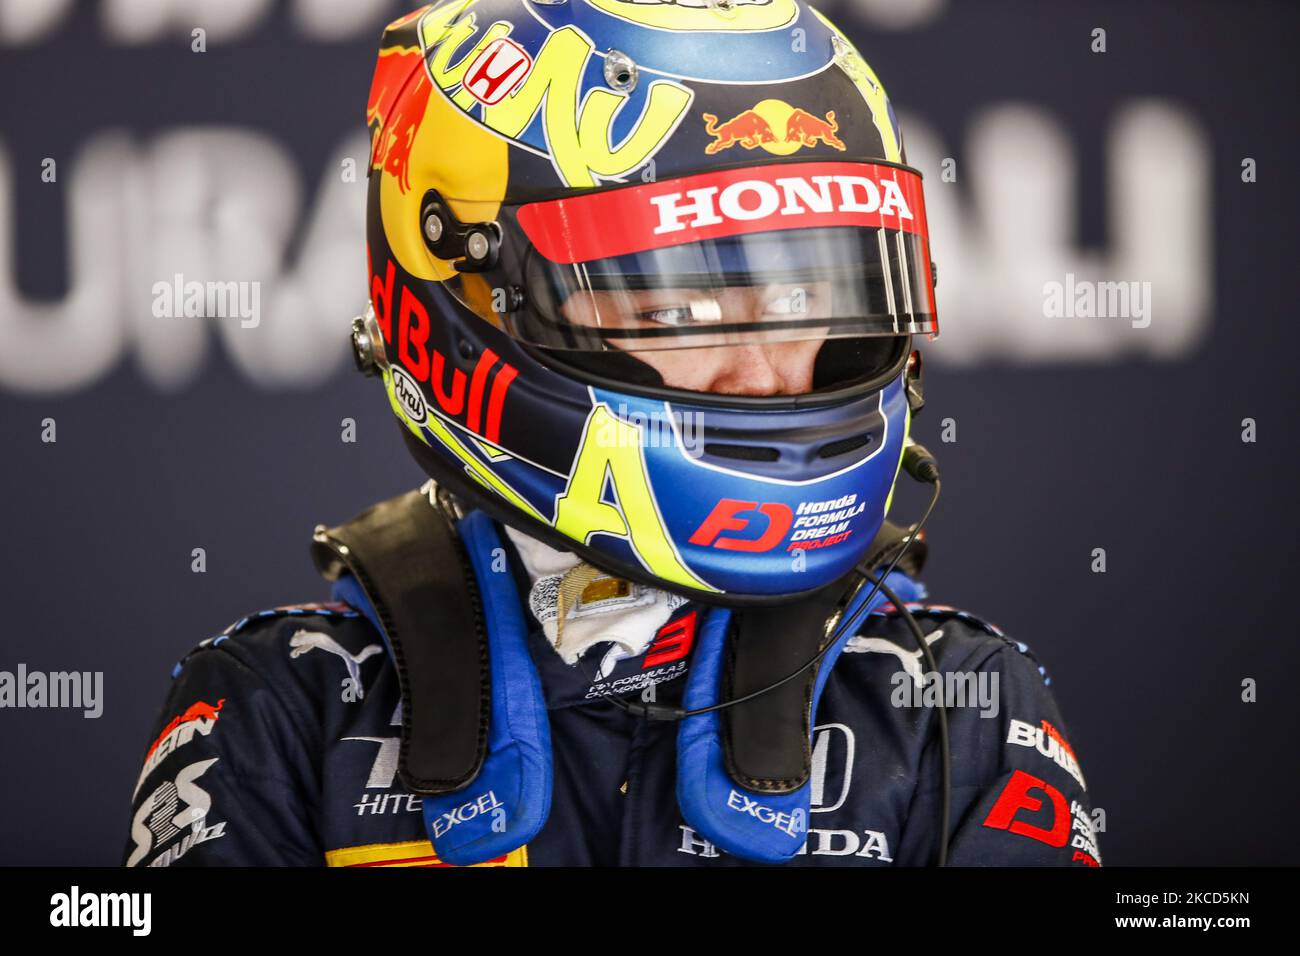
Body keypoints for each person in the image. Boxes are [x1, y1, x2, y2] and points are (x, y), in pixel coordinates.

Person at [122, 0, 1101, 868]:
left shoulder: (954, 703)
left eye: (808, 295)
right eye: (679, 306)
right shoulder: (282, 710)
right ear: (466, 311)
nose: (767, 374)